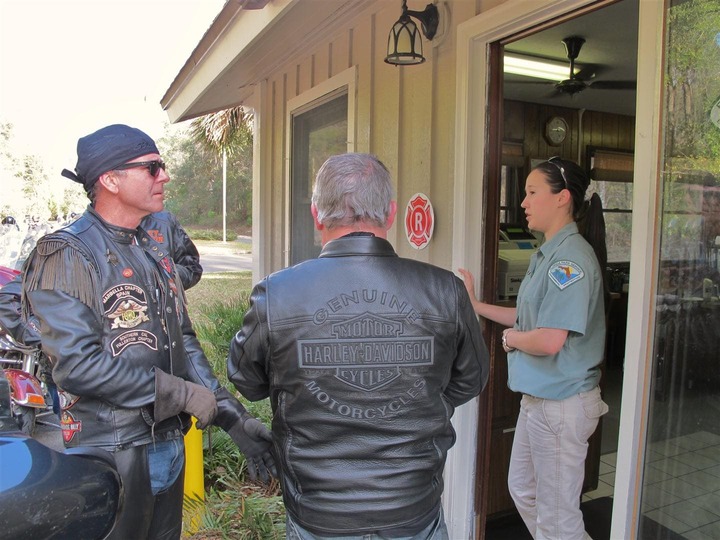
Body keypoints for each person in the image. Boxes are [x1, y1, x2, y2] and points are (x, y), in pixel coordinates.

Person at [19, 124, 275, 540]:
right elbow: (78, 366)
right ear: (110, 179)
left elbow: (184, 343)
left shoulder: (152, 249)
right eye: (152, 167)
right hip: (115, 452)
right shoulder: (67, 253)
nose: (165, 176)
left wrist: (232, 416)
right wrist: (179, 393)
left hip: (168, 444)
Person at [227, 152, 490, 539]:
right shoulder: (445, 291)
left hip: (320, 513)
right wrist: (424, 401)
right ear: (391, 212)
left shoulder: (277, 294)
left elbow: (248, 381)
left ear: (317, 214)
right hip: (412, 510)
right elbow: (471, 379)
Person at [458, 156, 609, 540]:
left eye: (531, 192)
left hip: (562, 405)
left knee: (559, 519)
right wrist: (476, 305)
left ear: (562, 198)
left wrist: (509, 341)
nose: (523, 203)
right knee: (523, 489)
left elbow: (548, 339)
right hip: (539, 401)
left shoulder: (570, 260)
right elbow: (528, 320)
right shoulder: (547, 254)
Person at [0, 210, 203, 419]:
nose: (161, 178)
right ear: (109, 181)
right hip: (93, 406)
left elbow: (192, 267)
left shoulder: (163, 222)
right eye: (149, 174)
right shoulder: (73, 244)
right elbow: (7, 301)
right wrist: (51, 339)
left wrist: (160, 279)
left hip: (162, 391)